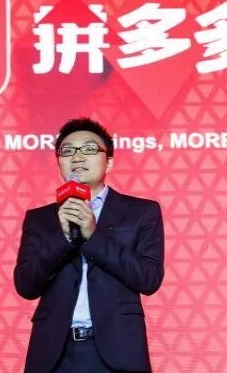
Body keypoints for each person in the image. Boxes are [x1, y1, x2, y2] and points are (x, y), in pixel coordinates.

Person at [14, 118, 165, 373]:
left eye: (89, 148)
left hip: (118, 352)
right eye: (68, 151)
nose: (77, 156)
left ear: (110, 161)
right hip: (54, 354)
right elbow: (26, 285)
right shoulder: (40, 219)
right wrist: (62, 237)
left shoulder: (141, 212)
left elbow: (148, 279)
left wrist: (93, 235)